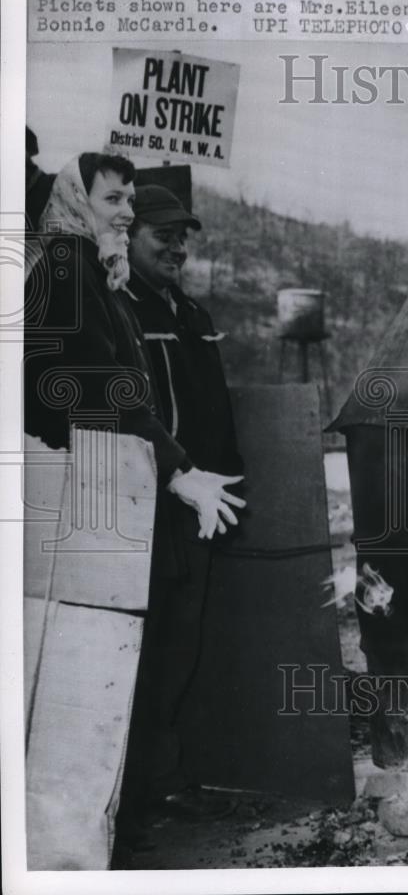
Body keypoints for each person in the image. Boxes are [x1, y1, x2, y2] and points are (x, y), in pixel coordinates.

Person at [24, 153, 246, 851]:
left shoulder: (94, 278)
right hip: (82, 507)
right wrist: (178, 469)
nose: (124, 211)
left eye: (128, 199)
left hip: (110, 497)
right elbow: (91, 389)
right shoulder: (66, 274)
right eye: (113, 198)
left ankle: (96, 835)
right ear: (76, 201)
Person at [114, 184, 243, 832]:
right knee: (136, 647)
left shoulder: (187, 310)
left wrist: (228, 485)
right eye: (161, 234)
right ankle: (128, 793)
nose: (176, 245)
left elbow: (211, 409)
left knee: (177, 647)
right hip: (141, 504)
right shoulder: (118, 309)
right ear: (127, 236)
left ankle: (160, 783)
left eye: (182, 235)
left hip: (197, 504)